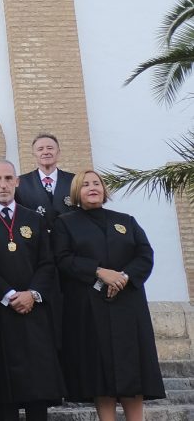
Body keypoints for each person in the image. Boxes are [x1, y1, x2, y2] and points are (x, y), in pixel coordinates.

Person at [52, 170, 164, 421]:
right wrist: (99, 271)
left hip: (128, 306)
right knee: (100, 373)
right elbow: (63, 259)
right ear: (76, 193)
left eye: (97, 183)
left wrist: (123, 277)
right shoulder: (66, 223)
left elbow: (144, 255)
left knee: (134, 370)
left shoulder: (126, 220)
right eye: (86, 185)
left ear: (104, 189)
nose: (93, 187)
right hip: (91, 308)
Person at [0, 160, 63, 421]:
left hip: (34, 310)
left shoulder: (34, 218)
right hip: (0, 311)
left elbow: (47, 262)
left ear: (17, 182)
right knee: (5, 387)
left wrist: (31, 293)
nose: (3, 184)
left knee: (38, 384)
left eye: (9, 178)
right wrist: (9, 295)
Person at [15, 134, 76, 222]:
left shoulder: (74, 180)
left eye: (50, 148)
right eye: (40, 149)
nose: (46, 152)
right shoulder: (20, 183)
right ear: (34, 154)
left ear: (58, 152)